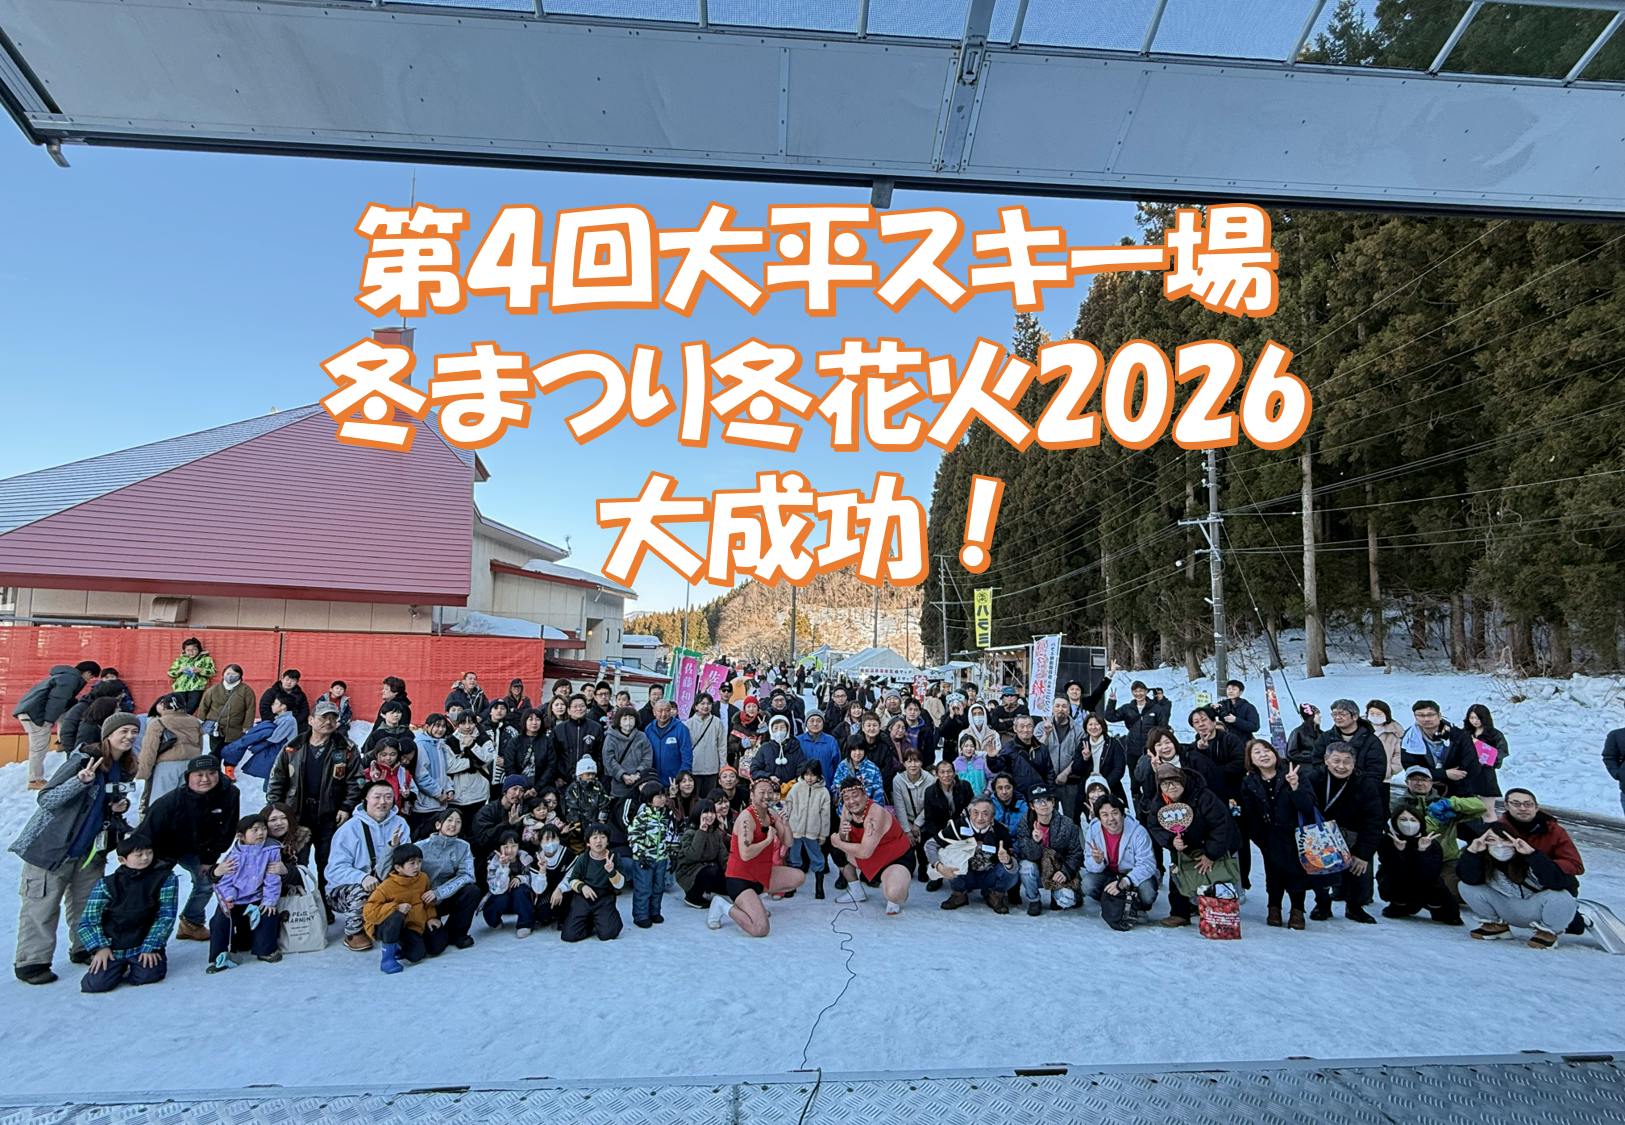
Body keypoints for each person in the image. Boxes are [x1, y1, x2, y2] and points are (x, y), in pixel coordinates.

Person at [10, 711, 137, 985]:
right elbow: (47, 799)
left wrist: (119, 807)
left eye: (133, 732)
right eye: (123, 731)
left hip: (90, 852)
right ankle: (32, 962)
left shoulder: (124, 766)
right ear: (108, 734)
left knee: (88, 905)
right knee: (41, 908)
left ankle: (84, 947)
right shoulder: (83, 759)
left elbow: (105, 804)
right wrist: (79, 781)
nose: (129, 737)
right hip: (51, 848)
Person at [266, 700, 362, 899]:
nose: (329, 722)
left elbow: (356, 781)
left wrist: (346, 806)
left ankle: (325, 905)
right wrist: (276, 809)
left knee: (327, 864)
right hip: (297, 816)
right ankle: (296, 905)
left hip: (331, 817)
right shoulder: (293, 747)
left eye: (333, 718)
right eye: (323, 717)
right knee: (295, 863)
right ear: (310, 720)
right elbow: (277, 780)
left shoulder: (346, 748)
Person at [140, 755, 240, 943]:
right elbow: (146, 832)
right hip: (164, 848)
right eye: (199, 775)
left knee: (208, 881)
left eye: (211, 773)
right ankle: (143, 932)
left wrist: (209, 859)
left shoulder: (230, 794)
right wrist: (142, 859)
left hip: (200, 849)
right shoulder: (169, 802)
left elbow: (227, 829)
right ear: (188, 777)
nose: (205, 779)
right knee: (153, 888)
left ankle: (191, 923)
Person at [74, 835, 178, 993]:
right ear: (122, 860)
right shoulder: (106, 884)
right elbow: (89, 920)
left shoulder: (165, 878)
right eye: (139, 855)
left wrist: (151, 946)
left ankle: (135, 964)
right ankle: (116, 967)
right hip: (113, 944)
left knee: (148, 975)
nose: (145, 858)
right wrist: (100, 947)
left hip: (143, 942)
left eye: (149, 853)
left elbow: (166, 916)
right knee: (95, 984)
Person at [1145, 762, 1239, 929]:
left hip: (1208, 842)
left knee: (1214, 876)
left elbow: (1221, 824)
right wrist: (1170, 841)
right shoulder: (1159, 802)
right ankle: (1179, 912)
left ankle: (1218, 913)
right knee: (1177, 875)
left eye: (1175, 781)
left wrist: (1211, 853)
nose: (1171, 787)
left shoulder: (1203, 796)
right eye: (1165, 784)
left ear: (1182, 780)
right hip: (1182, 848)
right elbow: (1154, 825)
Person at [324, 780, 411, 951]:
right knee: (361, 891)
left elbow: (406, 856)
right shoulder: (349, 828)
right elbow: (335, 869)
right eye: (377, 797)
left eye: (388, 797)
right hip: (347, 889)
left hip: (385, 882)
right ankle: (353, 932)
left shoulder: (400, 823)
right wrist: (362, 877)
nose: (382, 802)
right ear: (366, 798)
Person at [1458, 827, 1577, 948]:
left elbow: (1559, 883)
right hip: (1505, 907)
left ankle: (1547, 932)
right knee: (1466, 886)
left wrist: (1532, 855)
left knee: (1560, 896)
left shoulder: (1531, 857)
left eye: (1505, 840)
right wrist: (1472, 853)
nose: (1499, 845)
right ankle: (1496, 926)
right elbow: (1469, 879)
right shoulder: (1483, 859)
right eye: (1492, 840)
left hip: (1536, 909)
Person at [1306, 742, 1384, 924]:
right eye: (1336, 761)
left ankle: (1354, 907)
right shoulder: (1313, 778)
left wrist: (1363, 854)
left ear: (1354, 763)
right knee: (1320, 870)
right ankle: (1322, 904)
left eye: (1347, 762)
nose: (1341, 766)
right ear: (1326, 760)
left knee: (1357, 870)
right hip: (1321, 834)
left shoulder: (1365, 784)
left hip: (1352, 834)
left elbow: (1374, 820)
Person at [719, 775, 804, 935]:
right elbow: (745, 854)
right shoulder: (746, 818)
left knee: (799, 877)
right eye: (762, 792)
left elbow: (789, 842)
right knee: (760, 929)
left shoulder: (771, 814)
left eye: (770, 792)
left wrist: (785, 824)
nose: (767, 796)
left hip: (761, 874)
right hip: (740, 879)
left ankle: (754, 900)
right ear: (752, 795)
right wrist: (768, 840)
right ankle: (723, 906)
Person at [1240, 740, 1310, 929]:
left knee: (1296, 872)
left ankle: (1297, 909)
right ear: (1251, 760)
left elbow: (1308, 807)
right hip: (1268, 834)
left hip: (1296, 833)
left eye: (1267, 750)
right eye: (1257, 752)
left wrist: (1295, 787)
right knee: (1273, 871)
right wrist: (1259, 836)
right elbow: (1249, 812)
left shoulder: (1292, 773)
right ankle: (1274, 907)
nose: (1263, 755)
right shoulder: (1249, 781)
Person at [1390, 764, 1486, 902]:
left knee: (1453, 894)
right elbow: (1413, 832)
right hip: (1414, 858)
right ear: (1407, 782)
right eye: (1415, 779)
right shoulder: (1398, 805)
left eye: (1424, 779)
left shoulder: (1443, 802)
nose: (1419, 783)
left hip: (1446, 858)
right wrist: (1433, 819)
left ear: (1431, 782)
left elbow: (1481, 807)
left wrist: (1451, 803)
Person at [206, 814, 282, 972]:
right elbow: (224, 881)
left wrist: (269, 900)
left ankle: (265, 950)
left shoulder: (271, 850)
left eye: (263, 829)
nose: (261, 833)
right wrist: (228, 898)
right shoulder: (234, 856)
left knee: (268, 913)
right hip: (236, 899)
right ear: (241, 836)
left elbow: (272, 878)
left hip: (258, 897)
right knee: (220, 920)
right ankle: (220, 956)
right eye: (255, 830)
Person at [829, 776, 914, 916]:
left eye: (855, 795)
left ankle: (895, 891)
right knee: (837, 850)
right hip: (870, 857)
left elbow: (864, 852)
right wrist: (842, 834)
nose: (851, 801)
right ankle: (856, 890)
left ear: (865, 794)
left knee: (894, 894)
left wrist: (838, 842)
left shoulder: (875, 814)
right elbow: (844, 838)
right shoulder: (847, 808)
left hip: (894, 859)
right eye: (847, 798)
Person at [14, 659, 100, 789]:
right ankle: (35, 780)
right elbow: (56, 701)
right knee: (39, 747)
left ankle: (61, 742)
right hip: (35, 714)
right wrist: (47, 721)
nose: (90, 680)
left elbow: (64, 704)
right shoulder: (70, 679)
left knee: (64, 716)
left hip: (31, 710)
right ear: (87, 672)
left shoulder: (65, 676)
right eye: (91, 677)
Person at [364, 843, 448, 972]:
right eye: (412, 863)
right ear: (398, 867)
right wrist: (395, 907)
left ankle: (402, 944)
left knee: (437, 947)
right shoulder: (386, 886)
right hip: (389, 925)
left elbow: (427, 901)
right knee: (415, 954)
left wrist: (431, 917)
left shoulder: (423, 878)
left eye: (419, 862)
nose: (417, 866)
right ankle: (387, 958)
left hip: (415, 924)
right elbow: (368, 912)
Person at [1082, 795, 1159, 930]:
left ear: (1122, 814)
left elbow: (1147, 864)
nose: (1111, 819)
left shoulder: (1138, 831)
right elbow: (1088, 864)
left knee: (1148, 893)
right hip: (1108, 873)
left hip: (1132, 873)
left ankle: (1138, 907)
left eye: (1115, 813)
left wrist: (1126, 881)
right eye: (1105, 815)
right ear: (1099, 818)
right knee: (1087, 884)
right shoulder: (1093, 830)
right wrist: (1097, 861)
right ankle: (1112, 902)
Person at [933, 796, 1018, 913]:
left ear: (992, 816)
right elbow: (930, 845)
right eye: (975, 813)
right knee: (949, 856)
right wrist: (939, 866)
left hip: (989, 875)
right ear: (969, 813)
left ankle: (995, 894)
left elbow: (1012, 866)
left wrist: (1008, 861)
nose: (980, 818)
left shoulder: (1001, 831)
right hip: (965, 875)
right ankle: (959, 893)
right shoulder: (958, 826)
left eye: (985, 814)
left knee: (1013, 867)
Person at [1377, 804, 1459, 925]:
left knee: (1438, 893)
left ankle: (1435, 907)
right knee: (1391, 881)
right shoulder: (1388, 841)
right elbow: (1392, 871)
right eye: (1403, 819)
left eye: (1413, 820)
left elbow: (1430, 875)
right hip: (1400, 885)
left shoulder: (1431, 843)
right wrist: (1400, 852)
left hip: (1427, 886)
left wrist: (1422, 851)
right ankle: (1401, 905)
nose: (1408, 824)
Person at [1013, 785, 1084, 915]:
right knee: (1025, 867)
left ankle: (1057, 895)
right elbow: (1028, 855)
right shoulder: (1025, 823)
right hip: (1037, 870)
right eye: (1038, 801)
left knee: (1066, 900)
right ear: (1032, 806)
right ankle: (1034, 900)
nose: (1044, 804)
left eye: (1048, 799)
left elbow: (1076, 853)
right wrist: (1036, 842)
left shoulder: (1067, 824)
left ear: (1053, 802)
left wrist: (1065, 871)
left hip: (1058, 871)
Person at [415, 808, 479, 949]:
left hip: (445, 895)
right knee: (434, 947)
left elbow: (468, 875)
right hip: (424, 901)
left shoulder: (463, 846)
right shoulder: (420, 847)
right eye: (449, 820)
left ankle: (457, 934)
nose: (453, 824)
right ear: (438, 825)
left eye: (458, 822)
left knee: (472, 891)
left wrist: (439, 892)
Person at [1401, 699, 1486, 800]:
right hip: (1423, 790)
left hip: (1458, 790)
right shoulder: (1409, 739)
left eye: (1430, 714)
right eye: (1420, 715)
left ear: (1439, 715)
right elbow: (1411, 768)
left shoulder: (1458, 735)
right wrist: (1444, 774)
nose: (1426, 719)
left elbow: (1471, 764)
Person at [557, 825, 626, 943]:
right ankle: (591, 922)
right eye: (595, 837)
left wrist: (612, 872)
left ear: (607, 841)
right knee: (569, 935)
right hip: (584, 897)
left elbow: (620, 885)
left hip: (604, 898)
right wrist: (582, 887)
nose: (599, 841)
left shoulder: (614, 858)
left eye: (603, 837)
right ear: (588, 843)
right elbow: (572, 880)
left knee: (608, 934)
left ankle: (605, 919)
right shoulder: (583, 858)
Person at [137, 694, 204, 809]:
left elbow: (149, 749)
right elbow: (200, 744)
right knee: (185, 800)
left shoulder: (158, 722)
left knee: (161, 801)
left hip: (166, 765)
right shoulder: (194, 721)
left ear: (164, 706)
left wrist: (144, 771)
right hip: (191, 764)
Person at [1104, 678, 1168, 789]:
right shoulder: (1128, 708)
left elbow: (1163, 726)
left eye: (1141, 690)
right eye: (1135, 691)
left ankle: (1150, 799)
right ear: (1132, 693)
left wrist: (1157, 745)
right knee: (1134, 781)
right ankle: (1136, 799)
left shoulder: (1156, 708)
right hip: (1132, 748)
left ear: (1146, 691)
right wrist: (1111, 702)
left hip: (1150, 749)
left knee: (1150, 779)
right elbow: (1110, 717)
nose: (1138, 694)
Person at [921, 758, 974, 892]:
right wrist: (940, 836)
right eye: (942, 772)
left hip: (961, 828)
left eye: (949, 771)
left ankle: (965, 878)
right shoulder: (930, 792)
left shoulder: (964, 786)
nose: (946, 775)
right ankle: (937, 876)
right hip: (940, 829)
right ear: (937, 774)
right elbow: (929, 818)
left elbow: (972, 808)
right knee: (932, 844)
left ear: (954, 773)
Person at [1315, 699, 1390, 787]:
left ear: (1355, 716)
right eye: (1334, 714)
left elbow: (1376, 772)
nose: (1337, 717)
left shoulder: (1371, 741)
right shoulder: (1325, 738)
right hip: (1329, 787)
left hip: (1360, 789)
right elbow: (1316, 762)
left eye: (1342, 714)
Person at [627, 780, 672, 927]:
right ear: (649, 799)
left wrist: (672, 852)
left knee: (658, 887)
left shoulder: (666, 816)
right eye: (658, 796)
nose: (663, 799)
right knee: (643, 888)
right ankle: (641, 915)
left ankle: (654, 912)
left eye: (664, 795)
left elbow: (670, 836)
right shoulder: (642, 817)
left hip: (661, 858)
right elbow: (633, 836)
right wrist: (640, 854)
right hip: (644, 859)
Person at [786, 760, 832, 898]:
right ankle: (791, 886)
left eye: (813, 775)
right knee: (794, 858)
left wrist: (823, 834)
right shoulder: (796, 788)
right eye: (806, 774)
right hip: (795, 829)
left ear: (818, 775)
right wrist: (786, 825)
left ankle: (819, 887)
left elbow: (825, 815)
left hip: (813, 831)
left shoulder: (823, 792)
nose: (809, 778)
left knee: (817, 857)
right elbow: (788, 805)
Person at [676, 799, 730, 913]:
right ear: (698, 813)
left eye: (712, 812)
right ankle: (692, 897)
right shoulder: (689, 833)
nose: (709, 815)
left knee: (730, 885)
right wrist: (702, 831)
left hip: (709, 869)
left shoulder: (716, 833)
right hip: (689, 872)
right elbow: (693, 855)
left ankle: (709, 889)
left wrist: (732, 875)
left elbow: (723, 856)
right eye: (705, 812)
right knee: (711, 871)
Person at [444, 712, 495, 828]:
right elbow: (450, 766)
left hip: (479, 792)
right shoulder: (450, 741)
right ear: (458, 724)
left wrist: (472, 745)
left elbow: (487, 759)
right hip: (457, 794)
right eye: (463, 723)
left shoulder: (483, 738)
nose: (467, 726)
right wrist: (471, 763)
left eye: (471, 723)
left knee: (477, 826)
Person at [483, 830, 538, 937]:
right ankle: (494, 921)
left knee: (520, 889)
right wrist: (503, 867)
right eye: (506, 847)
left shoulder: (526, 858)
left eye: (513, 846)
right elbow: (496, 888)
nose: (510, 850)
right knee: (499, 897)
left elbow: (533, 878)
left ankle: (525, 924)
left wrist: (521, 878)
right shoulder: (493, 862)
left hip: (520, 900)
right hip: (503, 897)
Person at [1037, 697, 1084, 815]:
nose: (1060, 709)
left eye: (1064, 706)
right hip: (1047, 781)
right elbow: (1036, 751)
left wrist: (1065, 773)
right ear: (1052, 709)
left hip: (1070, 781)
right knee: (1048, 816)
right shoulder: (1041, 726)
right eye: (1057, 706)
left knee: (1071, 816)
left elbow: (1079, 756)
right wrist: (1046, 734)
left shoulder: (1078, 730)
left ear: (1069, 710)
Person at [989, 714, 1054, 800]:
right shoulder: (1009, 748)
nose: (1026, 730)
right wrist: (991, 758)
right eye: (1022, 727)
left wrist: (1050, 793)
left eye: (1029, 726)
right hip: (1019, 797)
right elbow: (997, 768)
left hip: (1040, 795)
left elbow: (1050, 772)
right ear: (1015, 729)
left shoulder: (1041, 748)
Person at [890, 750, 932, 881]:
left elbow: (929, 805)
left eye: (916, 761)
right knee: (907, 851)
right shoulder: (898, 780)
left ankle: (923, 865)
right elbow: (899, 806)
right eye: (909, 761)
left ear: (921, 763)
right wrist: (907, 830)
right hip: (906, 820)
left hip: (924, 820)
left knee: (923, 846)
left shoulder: (930, 779)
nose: (913, 765)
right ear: (904, 763)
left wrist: (917, 824)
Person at [197, 664, 257, 751]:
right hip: (216, 728)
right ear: (223, 674)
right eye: (228, 673)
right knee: (214, 752)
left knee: (231, 754)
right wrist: (200, 720)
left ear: (240, 675)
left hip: (235, 729)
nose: (230, 676)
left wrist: (247, 727)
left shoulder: (246, 691)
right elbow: (204, 705)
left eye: (234, 674)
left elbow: (250, 709)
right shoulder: (213, 689)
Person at [603, 706, 655, 800]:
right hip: (618, 787)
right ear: (619, 721)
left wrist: (639, 773)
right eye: (625, 719)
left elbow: (647, 757)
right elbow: (608, 759)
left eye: (631, 718)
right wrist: (622, 775)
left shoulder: (642, 736)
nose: (628, 722)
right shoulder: (610, 738)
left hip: (639, 783)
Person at [549, 694, 603, 776]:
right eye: (575, 706)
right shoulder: (559, 729)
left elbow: (600, 754)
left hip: (589, 776)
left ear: (586, 708)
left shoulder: (596, 728)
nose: (579, 709)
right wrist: (558, 776)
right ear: (568, 710)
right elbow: (553, 755)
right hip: (564, 777)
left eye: (582, 706)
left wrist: (595, 772)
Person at [564, 758, 611, 850]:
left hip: (596, 825)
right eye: (588, 774)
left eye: (593, 774)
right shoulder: (573, 788)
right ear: (580, 774)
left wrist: (601, 821)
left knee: (596, 848)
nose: (591, 776)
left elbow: (604, 804)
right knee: (578, 849)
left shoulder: (598, 786)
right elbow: (571, 808)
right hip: (578, 827)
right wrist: (577, 824)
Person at [686, 693, 728, 796]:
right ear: (696, 706)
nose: (706, 706)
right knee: (695, 798)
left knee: (710, 797)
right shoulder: (688, 723)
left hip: (712, 768)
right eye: (702, 703)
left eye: (708, 703)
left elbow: (722, 746)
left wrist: (722, 766)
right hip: (694, 768)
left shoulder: (717, 722)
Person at [1463, 703, 1508, 800]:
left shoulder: (1494, 734)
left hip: (1486, 773)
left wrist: (1487, 755)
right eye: (1472, 718)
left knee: (1487, 803)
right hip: (1467, 772)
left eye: (1478, 718)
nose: (1475, 721)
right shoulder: (1465, 732)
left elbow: (1502, 751)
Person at [646, 699, 695, 787]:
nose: (663, 714)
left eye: (667, 710)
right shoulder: (649, 729)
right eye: (660, 711)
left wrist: (682, 777)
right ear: (654, 712)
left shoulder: (681, 729)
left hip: (675, 780)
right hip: (655, 780)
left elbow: (687, 755)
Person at [750, 714, 806, 787]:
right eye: (776, 728)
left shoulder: (795, 746)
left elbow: (802, 767)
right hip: (769, 788)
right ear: (771, 730)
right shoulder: (765, 748)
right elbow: (754, 770)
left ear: (787, 729)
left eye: (782, 728)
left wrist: (794, 782)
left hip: (791, 788)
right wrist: (768, 776)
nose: (779, 731)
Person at [166, 637, 215, 714]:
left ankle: (185, 719)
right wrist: (179, 671)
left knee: (191, 708)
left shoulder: (206, 659)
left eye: (194, 650)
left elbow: (212, 672)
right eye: (188, 650)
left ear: (199, 649)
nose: (191, 652)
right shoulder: (180, 660)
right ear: (184, 650)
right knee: (179, 708)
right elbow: (170, 673)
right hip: (180, 688)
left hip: (197, 687)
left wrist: (200, 670)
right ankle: (180, 720)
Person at [832, 740, 886, 805]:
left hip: (868, 808)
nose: (857, 753)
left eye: (860, 749)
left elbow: (879, 794)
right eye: (854, 749)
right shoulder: (842, 766)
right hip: (846, 808)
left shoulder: (873, 768)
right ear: (849, 751)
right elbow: (836, 789)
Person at [1367, 700, 1405, 778]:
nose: (1375, 717)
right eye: (1372, 714)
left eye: (1379, 714)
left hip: (1382, 776)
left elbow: (1399, 754)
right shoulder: (1360, 728)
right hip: (1358, 775)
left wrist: (1391, 769)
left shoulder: (1394, 732)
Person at [952, 730, 989, 797]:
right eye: (966, 746)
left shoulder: (981, 762)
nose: (969, 749)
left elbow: (991, 778)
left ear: (975, 748)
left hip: (981, 798)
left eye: (972, 746)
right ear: (961, 748)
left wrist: (987, 791)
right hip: (963, 799)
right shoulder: (955, 764)